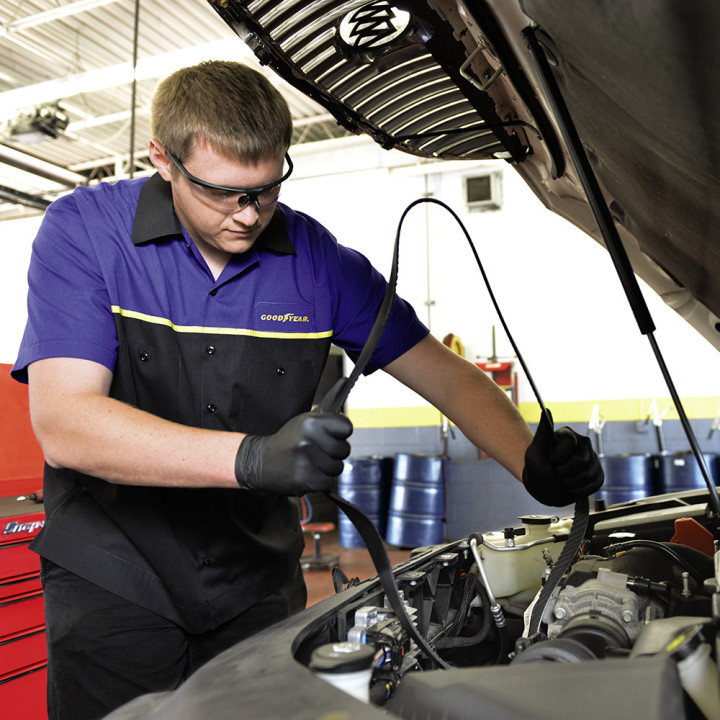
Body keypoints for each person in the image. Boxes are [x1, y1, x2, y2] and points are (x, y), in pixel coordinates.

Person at [12, 60, 603, 720]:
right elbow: (65, 424)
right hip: (115, 575)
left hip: (254, 584)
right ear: (163, 160)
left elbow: (444, 373)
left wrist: (528, 459)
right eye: (222, 192)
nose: (248, 215)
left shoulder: (319, 264)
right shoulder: (85, 234)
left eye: (265, 190)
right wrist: (253, 458)